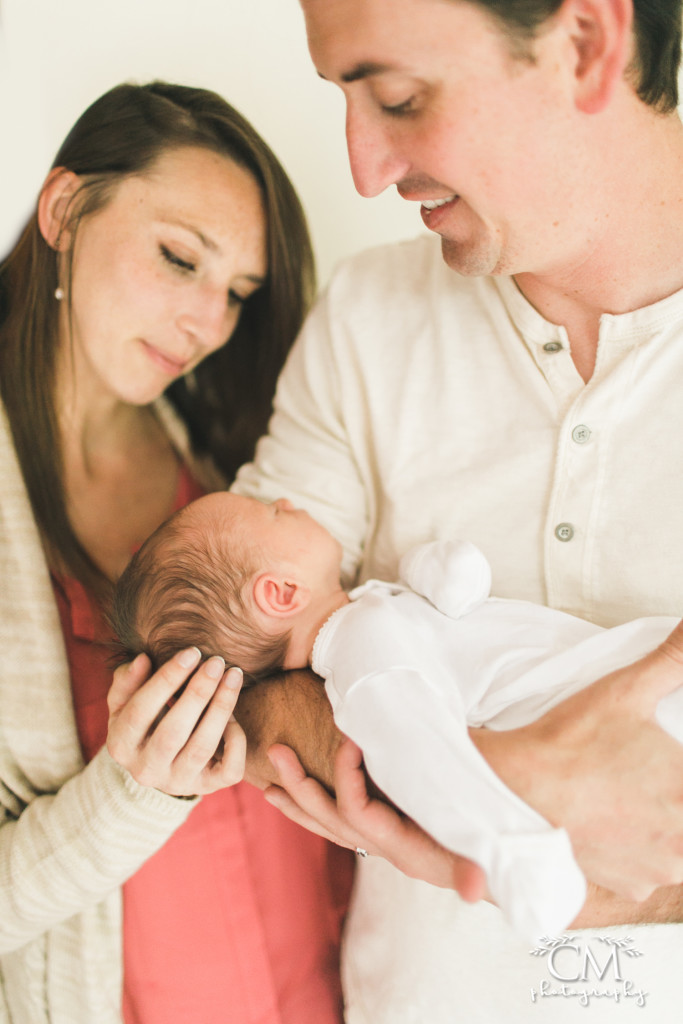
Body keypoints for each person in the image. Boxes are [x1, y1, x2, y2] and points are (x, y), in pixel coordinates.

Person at [109, 0, 683, 1019]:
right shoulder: (368, 319)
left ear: (587, 43)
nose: (364, 169)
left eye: (398, 99)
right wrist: (515, 774)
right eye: (345, 102)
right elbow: (238, 663)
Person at [0, 80, 352, 1024]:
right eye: (178, 259)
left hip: (322, 981)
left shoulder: (232, 465)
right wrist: (129, 792)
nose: (209, 324)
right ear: (65, 209)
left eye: (237, 292)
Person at [111, 489, 683, 938]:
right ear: (281, 593)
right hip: (630, 712)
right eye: (271, 512)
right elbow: (422, 756)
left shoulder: (368, 617)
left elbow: (455, 619)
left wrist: (443, 576)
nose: (286, 501)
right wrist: (513, 848)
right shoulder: (362, 657)